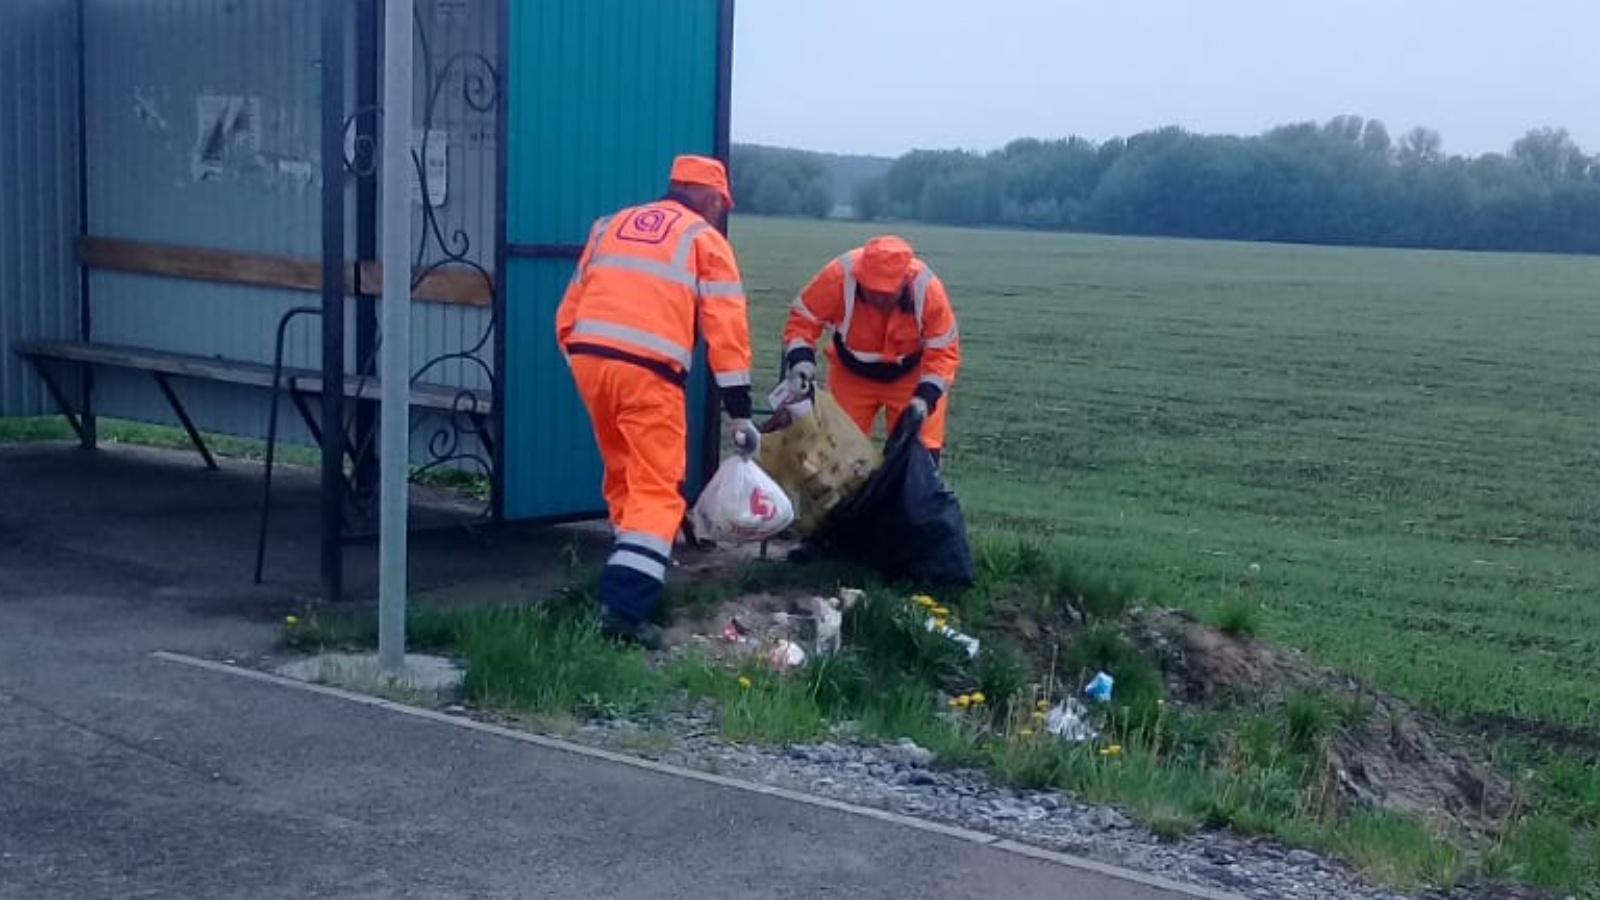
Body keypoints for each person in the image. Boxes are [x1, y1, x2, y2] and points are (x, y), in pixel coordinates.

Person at [556, 154, 760, 649]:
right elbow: (726, 331)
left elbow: (570, 308)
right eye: (720, 204)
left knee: (623, 474)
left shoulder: (609, 226)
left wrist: (583, 359)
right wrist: (739, 412)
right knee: (657, 488)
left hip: (590, 361)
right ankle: (625, 609)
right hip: (648, 375)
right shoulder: (705, 240)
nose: (719, 212)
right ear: (709, 198)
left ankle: (627, 570)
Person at [780, 235, 961, 464]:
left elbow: (944, 352)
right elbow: (803, 320)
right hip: (851, 375)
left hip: (912, 378)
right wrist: (801, 364)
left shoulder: (928, 291)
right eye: (872, 289)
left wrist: (924, 399)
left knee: (919, 455)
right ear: (860, 276)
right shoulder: (838, 276)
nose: (878, 297)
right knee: (838, 452)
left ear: (905, 282)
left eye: (887, 293)